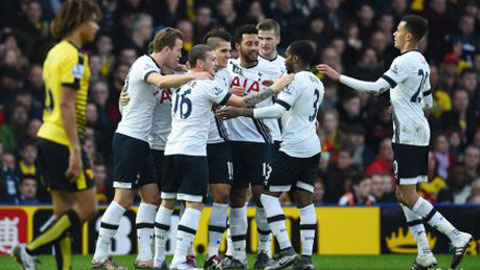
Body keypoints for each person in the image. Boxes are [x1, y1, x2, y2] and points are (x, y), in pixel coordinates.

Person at [318, 14, 472, 270]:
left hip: (409, 133)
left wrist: (339, 76)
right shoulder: (422, 61)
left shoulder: (403, 60)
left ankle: (456, 235)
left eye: (398, 30)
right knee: (402, 194)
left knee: (408, 195)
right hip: (416, 130)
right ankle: (424, 254)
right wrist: (402, 101)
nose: (394, 34)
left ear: (409, 35)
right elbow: (429, 103)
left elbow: (376, 87)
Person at [157, 44, 293, 270]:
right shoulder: (208, 85)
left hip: (171, 149)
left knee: (168, 202)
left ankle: (158, 258)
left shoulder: (178, 84)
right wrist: (273, 89)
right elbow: (241, 103)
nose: (215, 64)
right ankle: (180, 260)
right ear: (200, 63)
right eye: (211, 59)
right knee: (194, 205)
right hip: (193, 151)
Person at [91, 27, 212, 270]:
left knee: (152, 197)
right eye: (178, 49)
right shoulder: (144, 64)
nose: (181, 54)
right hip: (130, 138)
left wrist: (183, 72)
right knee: (123, 199)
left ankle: (145, 257)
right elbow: (159, 82)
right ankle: (100, 256)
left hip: (145, 142)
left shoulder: (159, 68)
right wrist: (191, 75)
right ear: (166, 49)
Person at [217, 40, 322, 270]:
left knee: (266, 197)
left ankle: (286, 251)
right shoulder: (316, 82)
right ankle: (306, 260)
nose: (284, 59)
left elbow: (277, 111)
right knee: (305, 201)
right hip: (313, 147)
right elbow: (303, 110)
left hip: (293, 147)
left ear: (295, 58)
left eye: (288, 55)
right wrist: (275, 87)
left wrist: (240, 112)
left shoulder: (296, 80)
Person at [12, 1, 102, 270]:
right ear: (81, 22)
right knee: (87, 208)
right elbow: (66, 104)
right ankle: (29, 248)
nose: (97, 27)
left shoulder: (53, 53)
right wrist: (76, 149)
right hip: (62, 138)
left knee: (63, 211)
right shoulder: (74, 56)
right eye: (94, 21)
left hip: (46, 135)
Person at [202, 29, 235, 269]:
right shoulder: (193, 75)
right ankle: (186, 253)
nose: (229, 55)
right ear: (210, 54)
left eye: (229, 50)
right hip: (194, 143)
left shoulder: (231, 72)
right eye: (224, 51)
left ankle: (213, 253)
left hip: (220, 142)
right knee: (190, 199)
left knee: (223, 193)